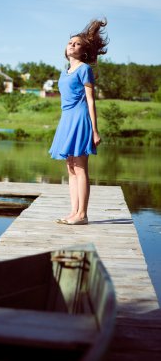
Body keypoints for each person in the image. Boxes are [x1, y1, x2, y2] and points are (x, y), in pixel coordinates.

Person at [49, 18, 108, 225]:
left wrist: (94, 130)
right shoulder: (64, 72)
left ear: (83, 51)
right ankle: (73, 212)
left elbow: (91, 101)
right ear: (66, 50)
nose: (71, 45)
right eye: (69, 43)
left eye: (76, 43)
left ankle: (82, 214)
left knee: (81, 167)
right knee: (70, 167)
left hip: (81, 118)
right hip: (66, 120)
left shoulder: (85, 69)